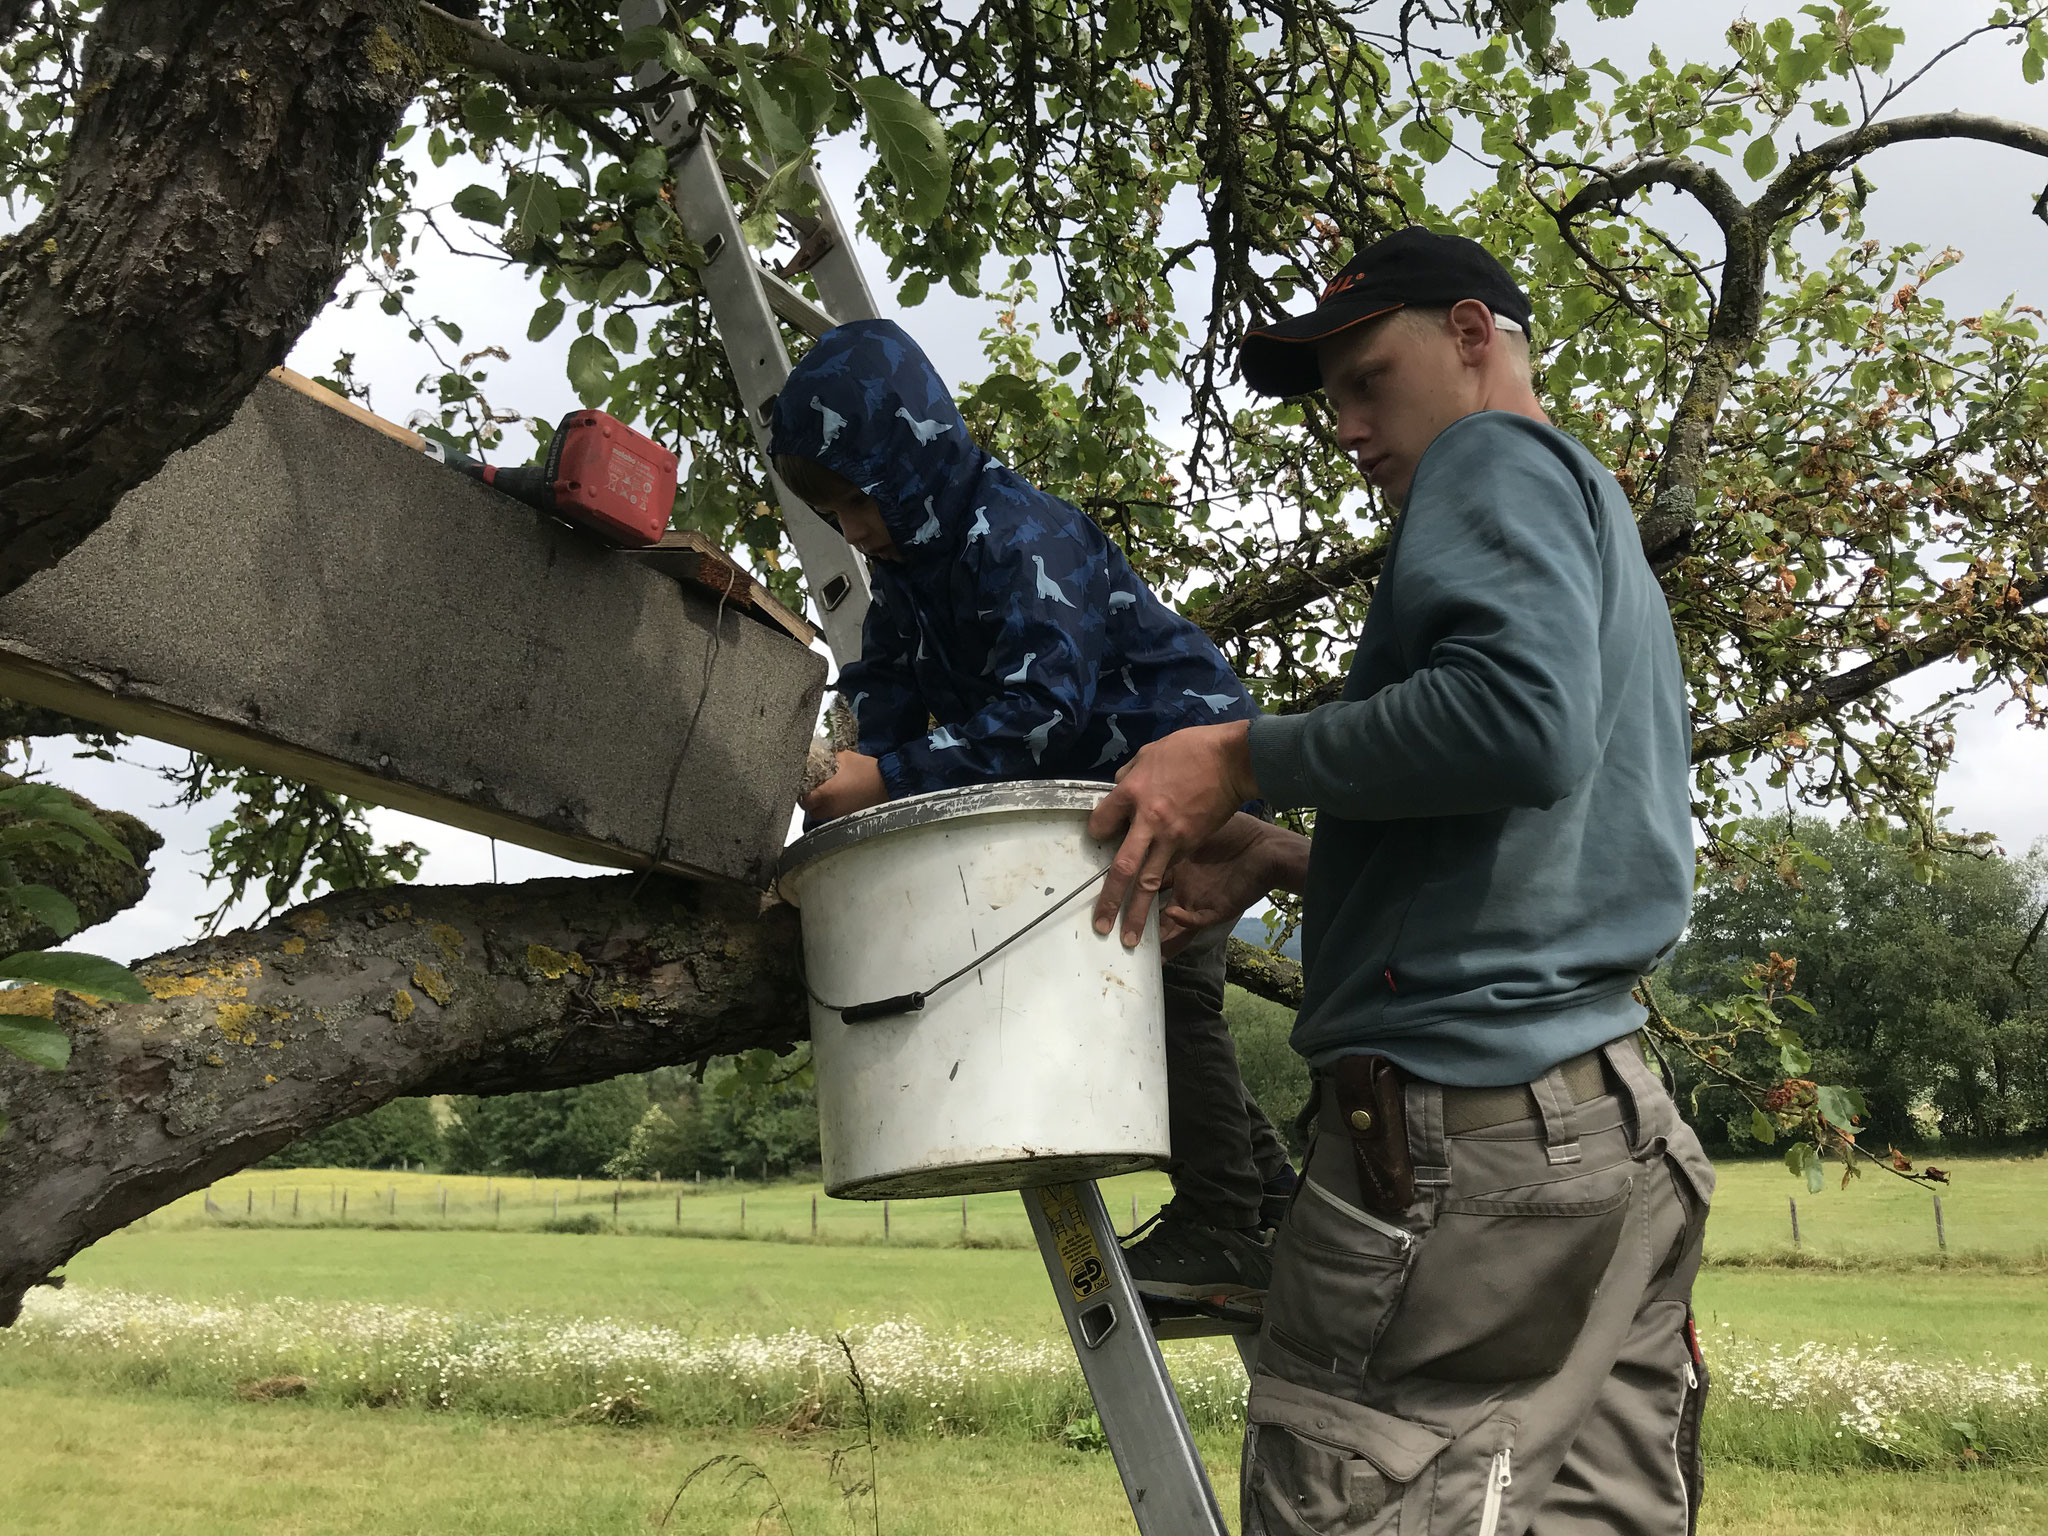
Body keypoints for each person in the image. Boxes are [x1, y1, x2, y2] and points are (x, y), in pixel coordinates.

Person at [1088, 228, 1716, 1535]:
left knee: (1356, 1488)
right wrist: (1297, 857)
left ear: (1474, 336)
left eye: (1370, 379)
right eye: (1333, 404)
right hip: (1609, 1128)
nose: (1351, 429)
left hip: (1463, 1161)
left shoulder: (1492, 459)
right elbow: (1546, 858)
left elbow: (1517, 729)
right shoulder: (1593, 513)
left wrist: (1238, 755)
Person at [768, 318, 1296, 1299]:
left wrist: (883, 783)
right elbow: (884, 677)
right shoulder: (914, 573)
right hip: (1095, 800)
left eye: (859, 498)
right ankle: (1265, 1195)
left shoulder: (1015, 536)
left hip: (1175, 782)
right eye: (832, 509)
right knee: (1156, 999)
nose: (851, 528)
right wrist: (856, 763)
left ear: (911, 461)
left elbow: (1040, 715)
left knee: (1162, 996)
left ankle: (1225, 1221)